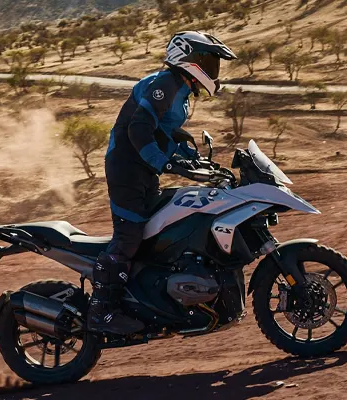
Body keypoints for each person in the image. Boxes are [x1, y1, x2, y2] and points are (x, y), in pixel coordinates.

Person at [89, 31, 237, 335]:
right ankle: (102, 310)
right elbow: (139, 130)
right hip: (126, 169)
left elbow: (162, 135)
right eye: (208, 61)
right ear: (188, 60)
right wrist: (168, 163)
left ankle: (148, 298)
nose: (213, 70)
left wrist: (192, 160)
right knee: (130, 235)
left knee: (160, 225)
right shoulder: (165, 84)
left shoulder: (180, 90)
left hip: (143, 170)